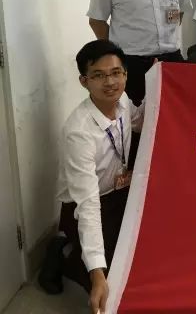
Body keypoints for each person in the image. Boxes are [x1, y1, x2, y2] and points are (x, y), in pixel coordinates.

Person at [57, 40, 145, 313]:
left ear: (125, 75)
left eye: (116, 73)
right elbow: (88, 204)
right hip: (83, 207)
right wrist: (97, 274)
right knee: (110, 280)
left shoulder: (123, 101)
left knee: (140, 256)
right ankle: (63, 257)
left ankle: (74, 253)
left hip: (120, 194)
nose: (110, 82)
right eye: (98, 75)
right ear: (84, 81)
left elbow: (139, 121)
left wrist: (161, 85)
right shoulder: (79, 132)